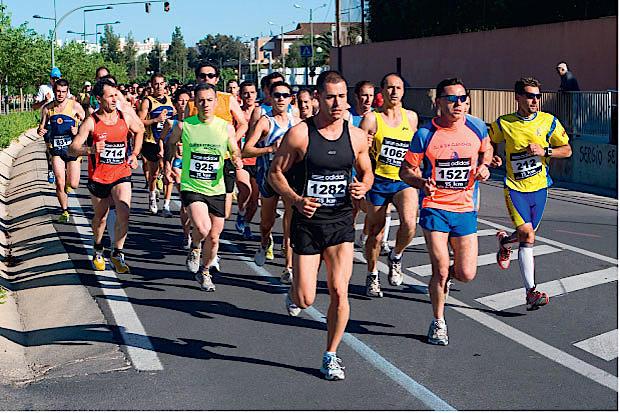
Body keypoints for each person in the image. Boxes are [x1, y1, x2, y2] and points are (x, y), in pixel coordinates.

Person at [269, 70, 373, 380]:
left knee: (340, 291)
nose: (337, 102)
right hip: (308, 223)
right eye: (330, 96)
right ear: (318, 98)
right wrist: (296, 199)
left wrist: (364, 187)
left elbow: (367, 172)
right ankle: (294, 292)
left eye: (342, 96)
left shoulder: (355, 137)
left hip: (340, 222)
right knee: (306, 299)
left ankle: (331, 355)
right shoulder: (300, 134)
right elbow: (275, 174)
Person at [399, 77, 492, 346]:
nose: (458, 104)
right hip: (435, 207)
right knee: (439, 268)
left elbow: (487, 150)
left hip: (465, 209)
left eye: (463, 98)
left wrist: (485, 166)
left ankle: (448, 279)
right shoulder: (425, 134)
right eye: (451, 99)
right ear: (439, 102)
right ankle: (438, 321)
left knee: (466, 274)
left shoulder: (476, 127)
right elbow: (406, 170)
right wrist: (420, 182)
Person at [490, 77, 572, 310]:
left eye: (537, 95)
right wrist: (493, 155)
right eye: (529, 95)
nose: (534, 100)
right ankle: (531, 293)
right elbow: (490, 141)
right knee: (527, 235)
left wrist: (545, 150)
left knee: (527, 235)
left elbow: (567, 150)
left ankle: (505, 243)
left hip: (540, 188)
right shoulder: (504, 123)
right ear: (517, 97)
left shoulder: (549, 122)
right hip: (515, 188)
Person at [165, 83, 243, 291]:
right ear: (195, 103)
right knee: (202, 228)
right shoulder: (185, 126)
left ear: (216, 102)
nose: (205, 104)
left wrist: (237, 159)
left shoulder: (225, 127)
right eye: (200, 100)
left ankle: (205, 271)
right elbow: (171, 144)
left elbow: (234, 149)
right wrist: (168, 163)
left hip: (216, 187)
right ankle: (195, 245)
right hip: (192, 186)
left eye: (209, 100)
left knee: (215, 239)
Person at [69, 78, 144, 273]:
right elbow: (72, 148)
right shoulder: (91, 121)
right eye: (110, 96)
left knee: (124, 213)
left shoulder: (124, 117)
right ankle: (98, 247)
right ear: (99, 99)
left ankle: (117, 253)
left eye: (115, 95)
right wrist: (91, 149)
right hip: (99, 177)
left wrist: (135, 154)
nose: (114, 100)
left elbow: (140, 130)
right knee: (100, 218)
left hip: (121, 173)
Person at [359, 73, 419, 298]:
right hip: (378, 180)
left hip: (403, 179)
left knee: (410, 223)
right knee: (374, 233)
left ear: (404, 91)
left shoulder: (411, 118)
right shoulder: (371, 119)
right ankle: (372, 273)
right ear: (382, 91)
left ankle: (396, 255)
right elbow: (359, 152)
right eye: (390, 87)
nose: (394, 91)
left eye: (399, 87)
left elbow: (416, 150)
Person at [243, 81, 300, 282]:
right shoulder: (265, 122)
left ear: (291, 98)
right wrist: (270, 149)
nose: (281, 99)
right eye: (277, 95)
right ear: (271, 98)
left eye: (285, 95)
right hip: (269, 176)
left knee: (290, 222)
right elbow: (247, 150)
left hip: (291, 178)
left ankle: (289, 266)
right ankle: (264, 242)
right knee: (267, 222)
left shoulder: (298, 122)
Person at [189, 64, 248, 223]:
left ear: (217, 78)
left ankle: (209, 235)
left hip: (225, 159)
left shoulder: (227, 99)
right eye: (202, 76)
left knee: (224, 213)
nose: (206, 79)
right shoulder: (192, 102)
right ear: (197, 78)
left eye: (210, 75)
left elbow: (243, 123)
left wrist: (230, 142)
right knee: (200, 206)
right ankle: (201, 238)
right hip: (199, 160)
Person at [37, 78, 86, 222]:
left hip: (72, 150)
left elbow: (88, 123)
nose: (60, 94)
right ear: (54, 91)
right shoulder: (47, 108)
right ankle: (64, 211)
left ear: (67, 92)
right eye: (58, 91)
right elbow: (42, 126)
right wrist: (40, 130)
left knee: (74, 184)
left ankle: (69, 183)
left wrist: (78, 129)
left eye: (63, 92)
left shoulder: (75, 106)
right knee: (59, 181)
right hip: (56, 149)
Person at [138, 73, 175, 215]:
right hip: (151, 142)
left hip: (167, 142)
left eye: (161, 84)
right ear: (151, 86)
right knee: (153, 174)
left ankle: (166, 205)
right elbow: (139, 121)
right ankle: (152, 196)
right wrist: (155, 120)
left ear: (165, 85)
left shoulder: (170, 101)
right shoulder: (147, 101)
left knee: (168, 172)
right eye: (156, 84)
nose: (159, 87)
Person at [235, 81, 261, 240]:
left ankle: (246, 223)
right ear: (241, 95)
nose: (249, 96)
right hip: (241, 159)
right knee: (246, 190)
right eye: (246, 93)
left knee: (255, 199)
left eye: (252, 92)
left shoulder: (262, 113)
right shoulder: (237, 113)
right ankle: (241, 212)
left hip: (258, 159)